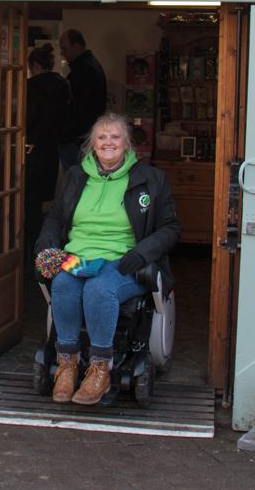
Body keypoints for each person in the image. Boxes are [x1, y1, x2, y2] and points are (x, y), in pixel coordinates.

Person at [35, 112, 180, 405]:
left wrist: (140, 254)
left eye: (115, 137)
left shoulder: (151, 179)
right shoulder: (76, 177)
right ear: (93, 144)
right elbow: (55, 218)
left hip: (123, 262)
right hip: (77, 258)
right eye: (102, 137)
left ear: (127, 144)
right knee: (62, 284)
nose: (108, 142)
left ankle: (100, 368)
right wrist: (47, 248)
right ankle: (67, 364)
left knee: (100, 288)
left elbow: (170, 228)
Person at [24, 44, 71, 265]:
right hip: (54, 151)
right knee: (52, 203)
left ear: (35, 65)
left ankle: (32, 251)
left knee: (30, 204)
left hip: (32, 150)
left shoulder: (31, 88)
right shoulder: (64, 86)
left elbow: (28, 119)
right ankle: (50, 248)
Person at [57, 29, 107, 170]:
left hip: (77, 139)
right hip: (84, 136)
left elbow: (78, 108)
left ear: (77, 46)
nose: (62, 53)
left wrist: (67, 133)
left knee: (76, 182)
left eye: (64, 48)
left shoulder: (84, 70)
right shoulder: (90, 66)